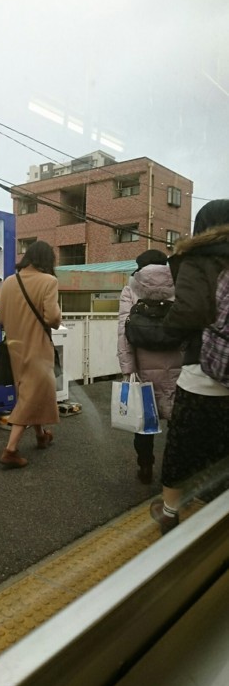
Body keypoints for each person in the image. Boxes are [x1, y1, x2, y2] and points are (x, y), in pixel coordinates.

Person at [150, 199, 229, 533]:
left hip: (202, 373)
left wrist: (167, 332)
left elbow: (189, 312)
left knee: (183, 445)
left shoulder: (195, 259)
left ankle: (169, 511)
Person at [117, 249, 183, 484]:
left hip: (143, 367)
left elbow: (124, 333)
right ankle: (175, 472)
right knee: (179, 420)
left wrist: (128, 369)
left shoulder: (132, 288)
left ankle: (145, 467)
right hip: (179, 365)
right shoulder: (181, 284)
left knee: (144, 422)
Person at [0, 240, 61, 468]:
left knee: (29, 392)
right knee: (32, 394)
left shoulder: (8, 282)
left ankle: (41, 435)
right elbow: (53, 319)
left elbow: (1, 318)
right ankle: (10, 449)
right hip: (37, 347)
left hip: (14, 347)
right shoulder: (49, 282)